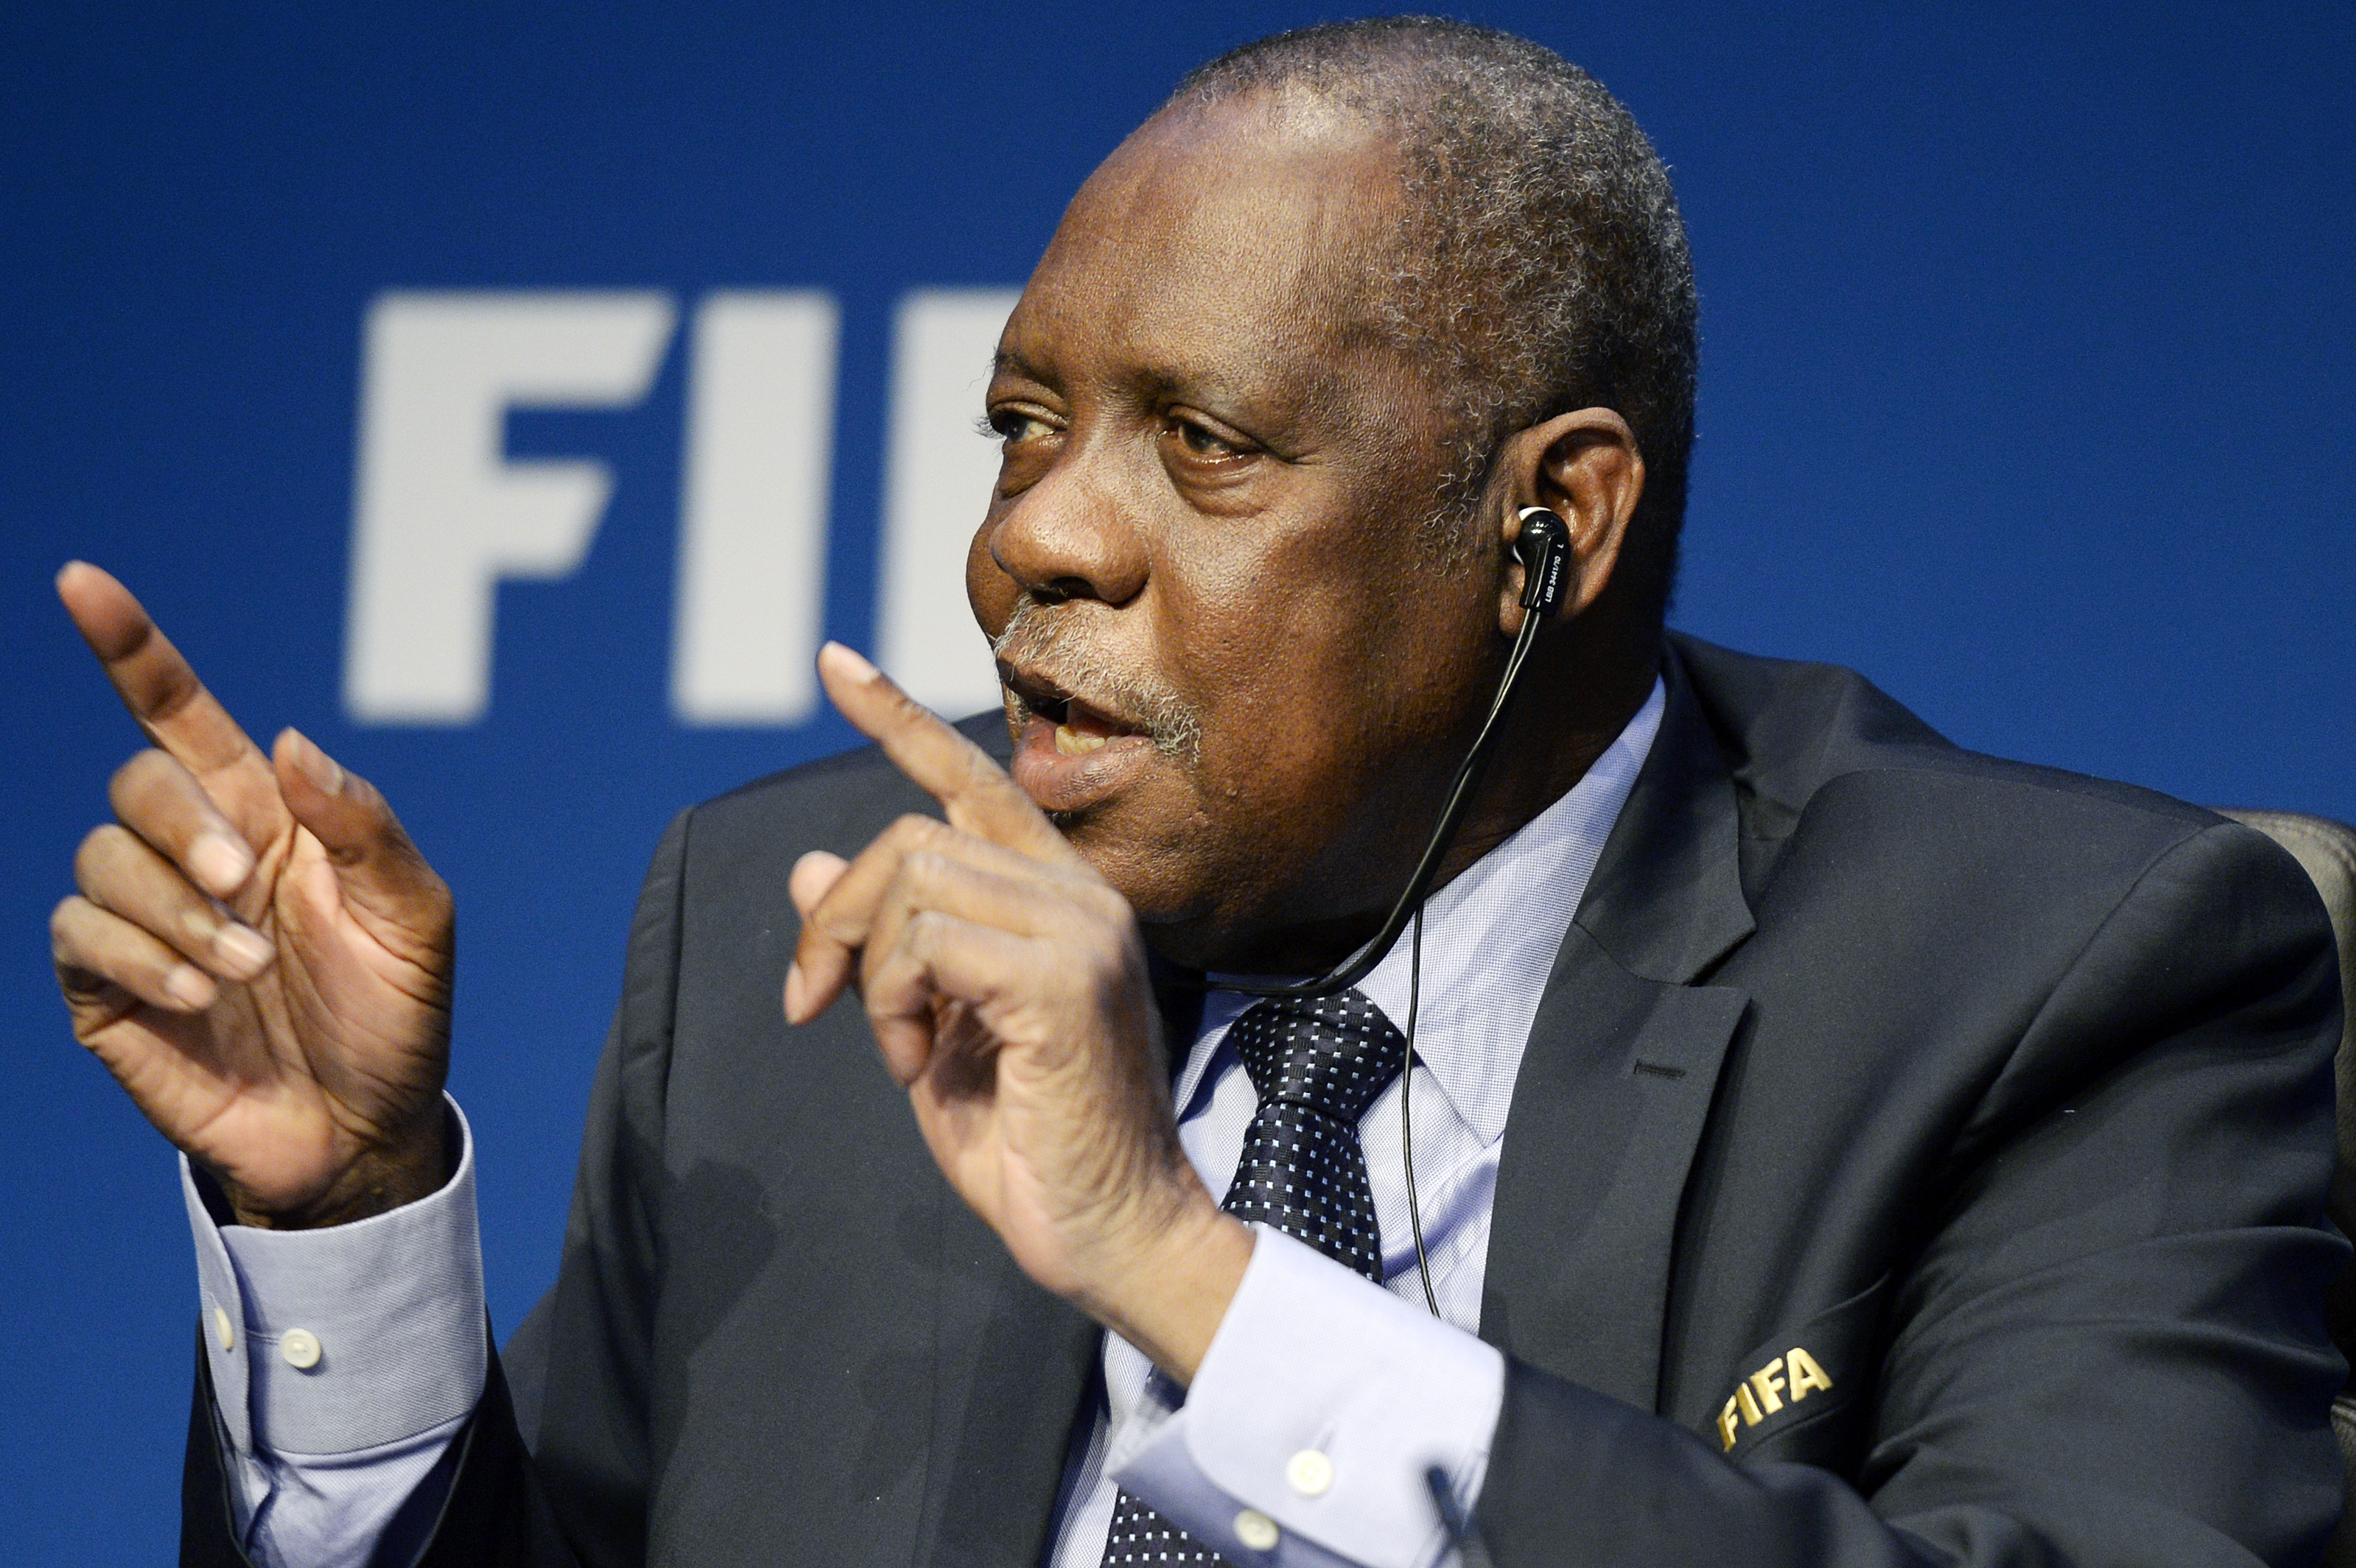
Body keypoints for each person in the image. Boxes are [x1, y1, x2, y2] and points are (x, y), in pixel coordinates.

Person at [50, 18, 2346, 1568]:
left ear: (1547, 529)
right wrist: (344, 1217)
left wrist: (1184, 1268)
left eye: (1202, 443)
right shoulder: (814, 932)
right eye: (1023, 425)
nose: (1033, 541)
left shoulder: (2054, 974)